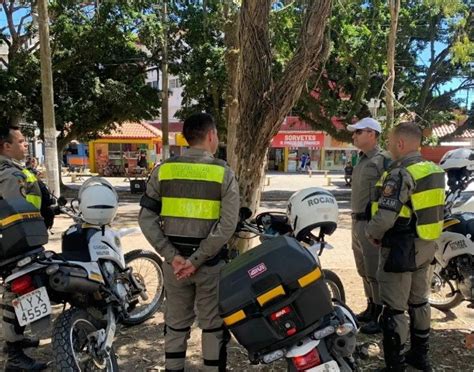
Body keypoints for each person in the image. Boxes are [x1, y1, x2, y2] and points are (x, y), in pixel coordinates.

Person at [138, 113, 240, 371]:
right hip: (210, 266)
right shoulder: (223, 173)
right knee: (212, 326)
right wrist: (196, 260)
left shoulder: (164, 171)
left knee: (175, 323)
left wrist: (173, 257)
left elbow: (146, 219)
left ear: (186, 137)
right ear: (211, 136)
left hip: (175, 268)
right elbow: (227, 225)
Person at [366, 122, 445, 371]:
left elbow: (386, 216)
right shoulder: (434, 170)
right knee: (420, 302)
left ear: (400, 143)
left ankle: (395, 365)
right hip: (426, 246)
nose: (389, 146)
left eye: (390, 142)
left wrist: (372, 233)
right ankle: (420, 356)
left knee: (394, 310)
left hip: (400, 248)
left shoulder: (401, 173)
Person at [0, 126, 48, 370]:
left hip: (24, 239)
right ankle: (15, 356)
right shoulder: (7, 174)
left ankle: (17, 339)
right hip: (17, 242)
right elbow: (14, 212)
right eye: (20, 141)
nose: (25, 144)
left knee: (21, 293)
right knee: (15, 295)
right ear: (6, 146)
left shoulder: (13, 169)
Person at [347, 117, 391, 334]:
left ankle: (380, 315)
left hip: (370, 224)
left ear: (372, 134)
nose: (354, 136)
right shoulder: (362, 159)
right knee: (363, 269)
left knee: (374, 270)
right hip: (356, 223)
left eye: (358, 132)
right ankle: (371, 307)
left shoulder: (383, 160)